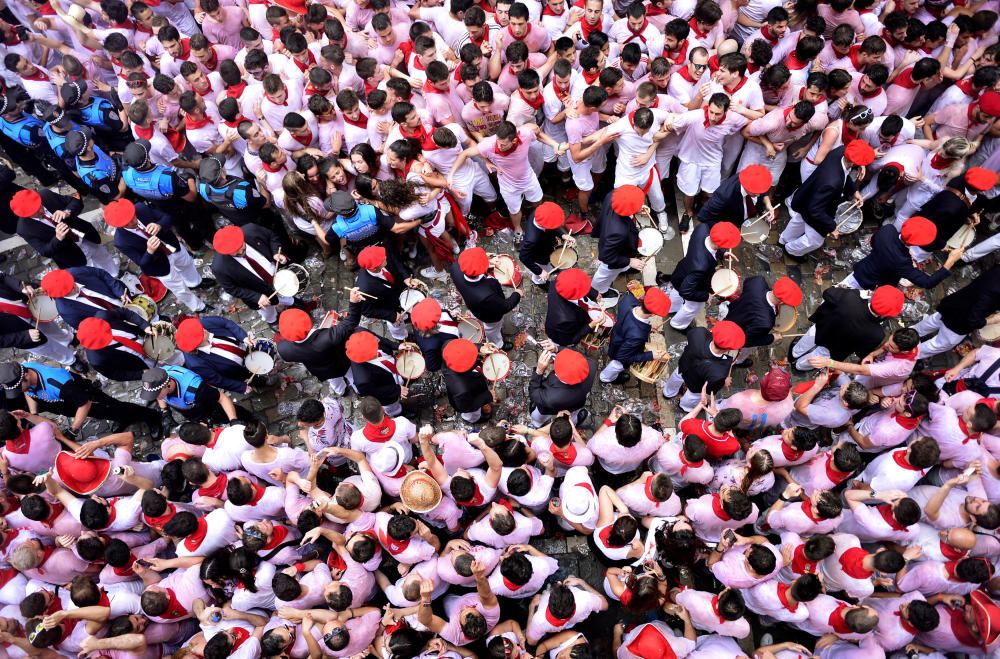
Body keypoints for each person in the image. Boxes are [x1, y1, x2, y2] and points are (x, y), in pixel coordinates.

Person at [779, 140, 875, 258]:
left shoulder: (840, 151)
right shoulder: (832, 182)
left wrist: (854, 191)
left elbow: (845, 175)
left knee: (799, 220)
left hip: (807, 197)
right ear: (853, 162)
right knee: (814, 240)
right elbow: (815, 210)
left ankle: (784, 240)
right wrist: (832, 226)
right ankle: (791, 250)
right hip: (816, 208)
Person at [599, 287, 671, 384]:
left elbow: (631, 321)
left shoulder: (628, 300)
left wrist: (648, 327)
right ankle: (606, 378)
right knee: (617, 365)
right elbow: (623, 357)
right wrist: (651, 355)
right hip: (621, 350)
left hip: (617, 335)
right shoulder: (638, 336)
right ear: (653, 314)